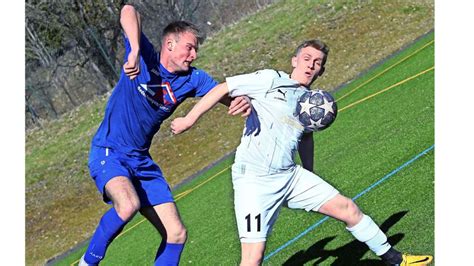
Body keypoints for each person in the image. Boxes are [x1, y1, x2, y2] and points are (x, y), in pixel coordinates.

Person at [170, 39, 433, 265]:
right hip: (255, 182)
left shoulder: (310, 102)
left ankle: (396, 259)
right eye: (307, 58)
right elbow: (223, 88)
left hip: (290, 176)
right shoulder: (270, 79)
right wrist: (189, 120)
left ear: (321, 70)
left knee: (348, 209)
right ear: (294, 60)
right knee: (253, 258)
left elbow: (305, 136)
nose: (311, 65)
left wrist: (309, 173)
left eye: (317, 63)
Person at [79, 4, 252, 266]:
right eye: (189, 47)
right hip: (110, 151)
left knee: (176, 234)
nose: (193, 54)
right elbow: (128, 9)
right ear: (170, 44)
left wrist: (241, 102)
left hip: (141, 162)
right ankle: (88, 262)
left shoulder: (193, 79)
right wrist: (134, 50)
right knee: (127, 206)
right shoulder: (145, 57)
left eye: (195, 49)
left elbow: (221, 94)